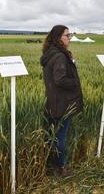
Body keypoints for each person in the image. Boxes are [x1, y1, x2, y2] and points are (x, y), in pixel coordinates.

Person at [40, 25, 83, 177]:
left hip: (53, 101)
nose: (69, 38)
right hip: (63, 103)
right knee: (61, 136)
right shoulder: (59, 56)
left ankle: (52, 166)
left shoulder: (51, 54)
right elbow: (60, 79)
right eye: (67, 35)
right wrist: (75, 82)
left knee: (54, 135)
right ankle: (60, 168)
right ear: (59, 38)